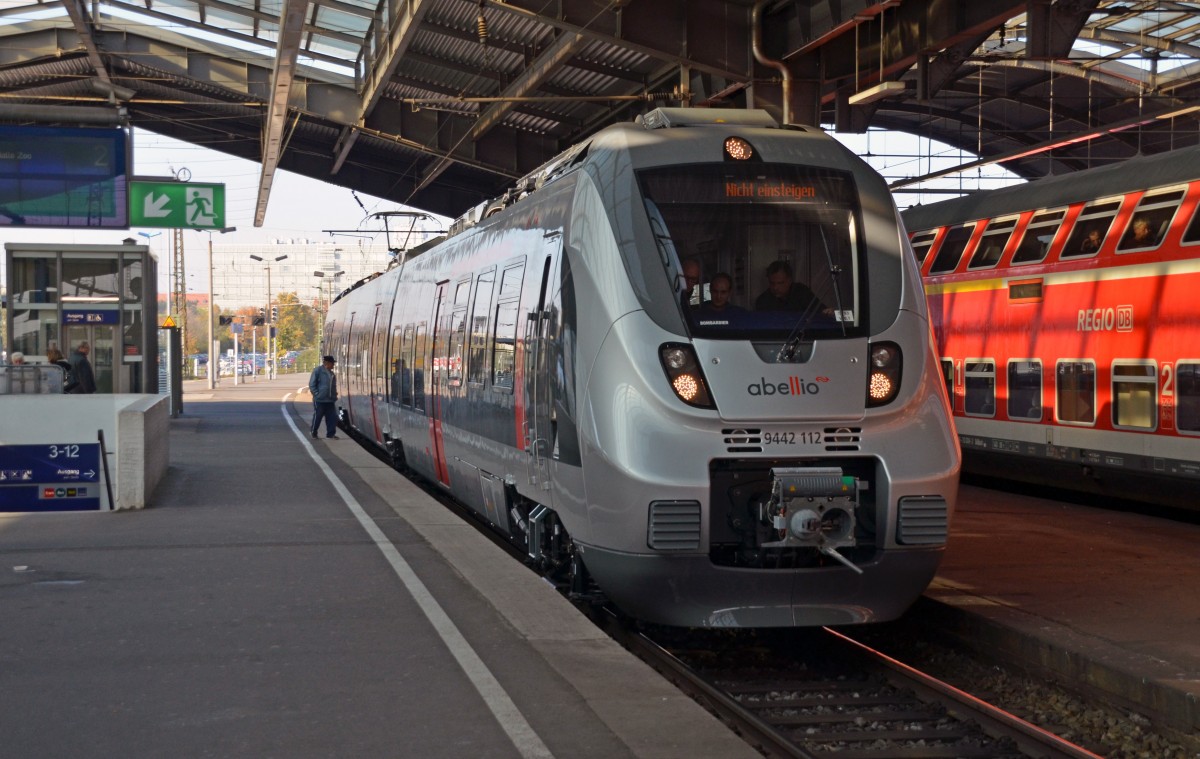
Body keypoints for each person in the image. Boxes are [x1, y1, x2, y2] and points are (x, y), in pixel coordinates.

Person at [754, 260, 828, 314]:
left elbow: (822, 311)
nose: (775, 287)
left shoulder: (802, 293)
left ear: (789, 280)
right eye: (772, 283)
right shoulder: (763, 301)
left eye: (780, 283)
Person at [309, 354, 340, 439]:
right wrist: (316, 394)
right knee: (318, 416)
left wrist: (334, 394)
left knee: (332, 417)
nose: (333, 365)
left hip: (330, 399)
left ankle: (330, 434)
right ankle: (313, 432)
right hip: (319, 400)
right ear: (327, 363)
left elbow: (333, 386)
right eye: (332, 363)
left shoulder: (332, 373)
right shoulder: (318, 371)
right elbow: (312, 384)